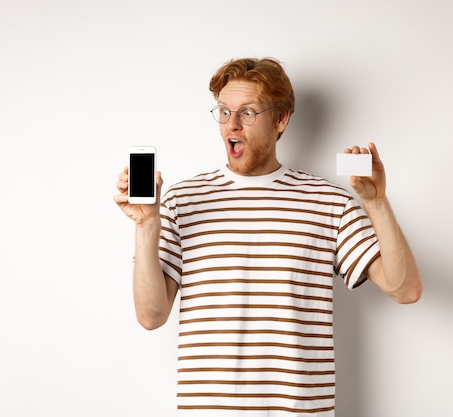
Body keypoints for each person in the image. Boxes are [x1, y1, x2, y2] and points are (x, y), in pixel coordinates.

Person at [114, 57, 422, 416]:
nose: (232, 125)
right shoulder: (183, 201)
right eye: (224, 112)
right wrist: (146, 224)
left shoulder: (328, 202)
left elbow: (405, 290)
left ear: (281, 119)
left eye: (247, 113)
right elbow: (151, 315)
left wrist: (376, 202)